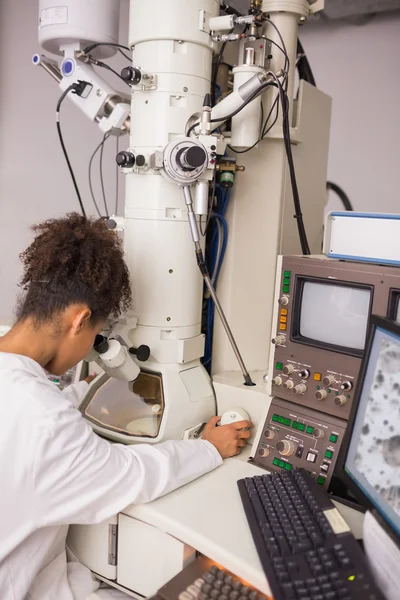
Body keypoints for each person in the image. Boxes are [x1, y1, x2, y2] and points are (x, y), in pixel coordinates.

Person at [0, 214, 252, 600]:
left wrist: (75, 394)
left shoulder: (29, 396)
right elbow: (129, 474)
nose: (93, 348)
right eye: (97, 336)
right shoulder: (43, 420)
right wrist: (208, 448)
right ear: (80, 320)